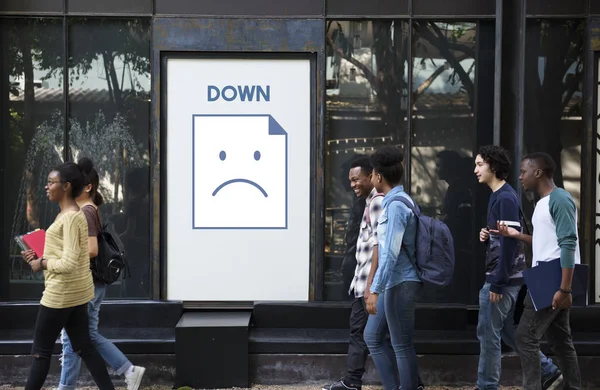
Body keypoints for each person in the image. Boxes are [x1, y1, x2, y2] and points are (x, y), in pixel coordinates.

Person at [474, 146, 562, 390]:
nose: (475, 170)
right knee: (502, 330)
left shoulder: (504, 197)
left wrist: (498, 282)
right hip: (504, 278)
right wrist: (487, 233)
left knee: (488, 336)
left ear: (492, 166)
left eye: (480, 164)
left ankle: (487, 386)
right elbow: (504, 237)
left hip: (502, 279)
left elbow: (511, 244)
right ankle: (548, 372)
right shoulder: (500, 196)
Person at [21, 162, 115, 390]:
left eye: (51, 182)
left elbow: (70, 262)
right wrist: (40, 254)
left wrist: (41, 263)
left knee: (40, 354)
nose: (46, 186)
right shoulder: (68, 214)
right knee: (85, 347)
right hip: (75, 294)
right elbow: (68, 253)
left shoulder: (72, 217)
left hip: (60, 295)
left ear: (66, 186)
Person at [57, 158, 146, 390]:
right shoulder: (90, 209)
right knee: (88, 335)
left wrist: (63, 255)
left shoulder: (86, 212)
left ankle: (65, 387)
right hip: (94, 283)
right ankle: (129, 369)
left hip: (87, 283)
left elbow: (93, 249)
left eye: (74, 184)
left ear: (87, 187)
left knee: (71, 338)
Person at [495, 152, 581, 390]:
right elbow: (546, 241)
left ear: (538, 172)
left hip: (552, 276)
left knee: (525, 337)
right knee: (561, 340)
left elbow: (568, 244)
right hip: (548, 274)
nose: (520, 176)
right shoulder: (543, 202)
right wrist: (516, 235)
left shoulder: (560, 199)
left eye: (524, 172)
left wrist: (565, 288)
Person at [364, 146, 423, 390]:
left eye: (372, 174)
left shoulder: (396, 206)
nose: (371, 179)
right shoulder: (399, 200)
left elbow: (389, 254)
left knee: (401, 344)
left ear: (379, 177)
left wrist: (374, 289)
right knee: (373, 336)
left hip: (400, 281)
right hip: (395, 281)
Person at [323, 157, 383, 390]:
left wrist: (370, 287)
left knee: (363, 333)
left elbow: (379, 247)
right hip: (363, 283)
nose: (353, 185)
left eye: (356, 179)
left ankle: (352, 381)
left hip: (369, 285)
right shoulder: (365, 203)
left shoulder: (376, 203)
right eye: (350, 181)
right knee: (378, 336)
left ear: (372, 176)